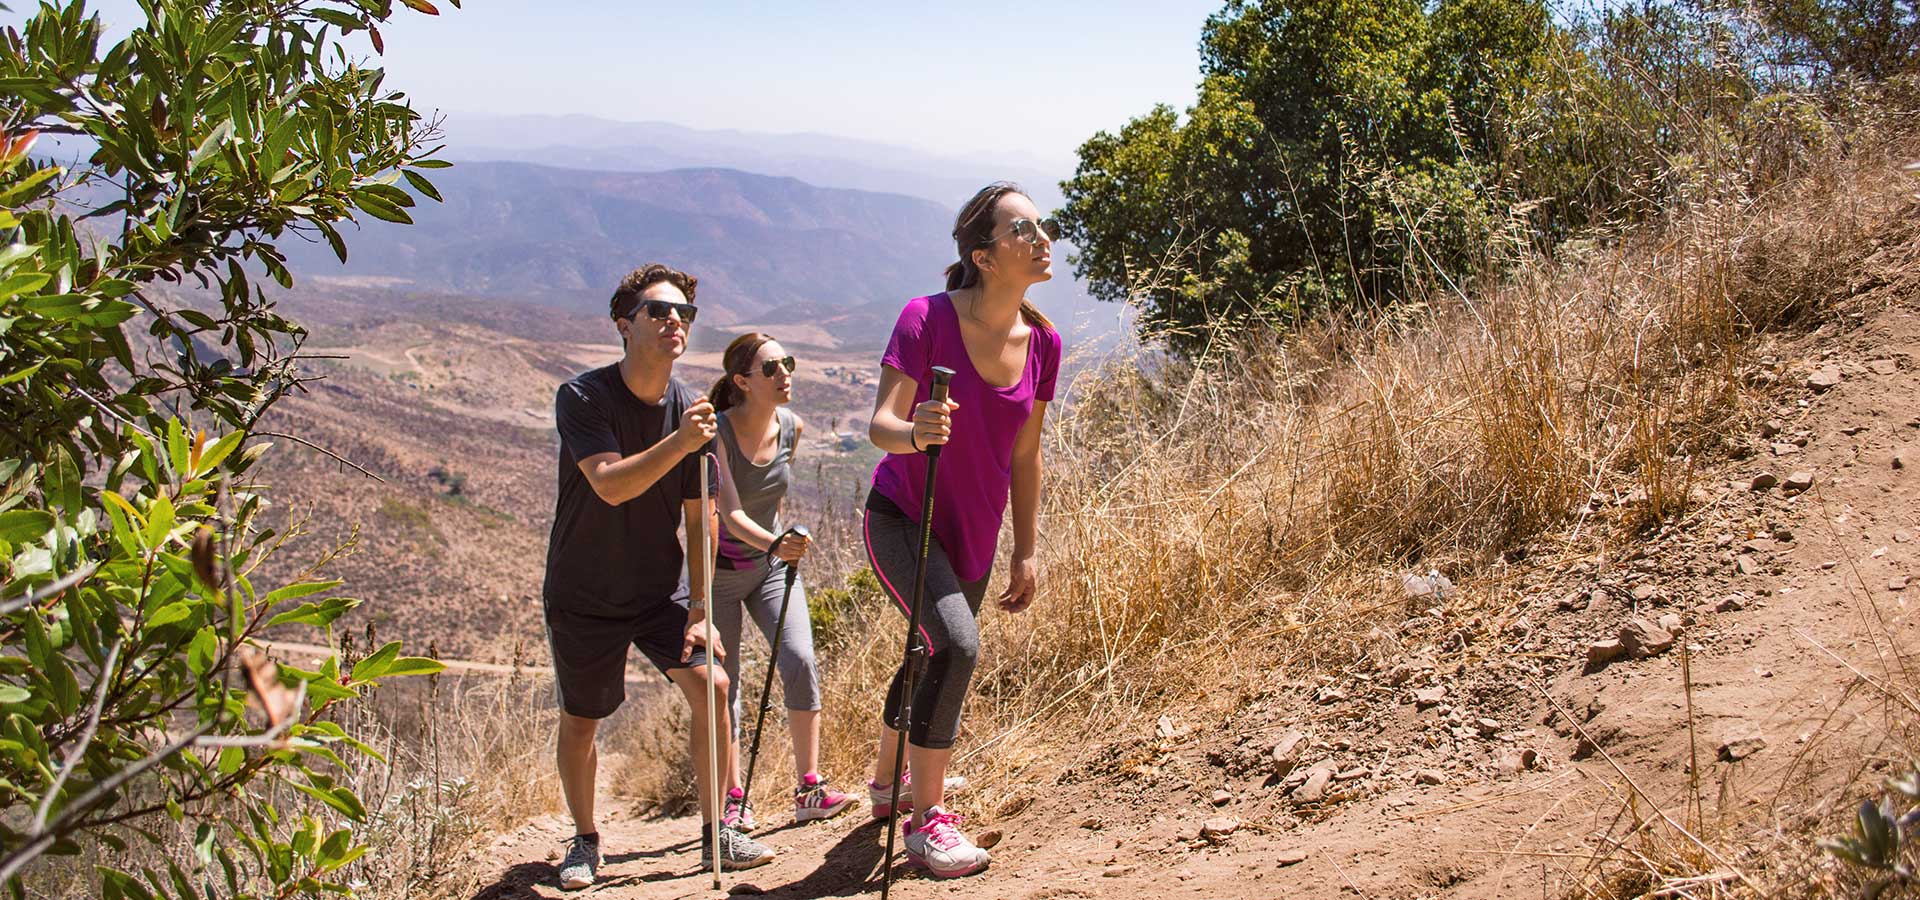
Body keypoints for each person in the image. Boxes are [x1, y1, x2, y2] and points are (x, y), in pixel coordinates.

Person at [542, 264, 775, 890]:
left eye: (685, 314)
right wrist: (679, 442)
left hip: (657, 591)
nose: (676, 322)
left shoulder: (690, 412)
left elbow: (702, 520)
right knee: (583, 719)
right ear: (624, 323)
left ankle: (715, 834)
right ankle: (585, 839)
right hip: (583, 590)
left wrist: (700, 606)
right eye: (659, 312)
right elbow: (611, 485)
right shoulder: (584, 397)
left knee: (715, 687)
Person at [862, 183, 1063, 879]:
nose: (1042, 239)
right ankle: (927, 822)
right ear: (983, 255)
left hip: (975, 533)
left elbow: (1026, 455)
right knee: (956, 644)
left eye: (1043, 226)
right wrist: (914, 432)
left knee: (930, 652)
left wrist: (1027, 548)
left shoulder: (1042, 341)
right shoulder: (925, 320)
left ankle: (888, 783)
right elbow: (880, 426)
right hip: (903, 521)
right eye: (1022, 229)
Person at [706, 332, 856, 831]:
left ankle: (809, 787)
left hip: (769, 567)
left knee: (800, 660)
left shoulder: (791, 428)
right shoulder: (717, 434)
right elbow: (729, 513)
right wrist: (774, 542)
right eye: (772, 368)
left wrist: (779, 541)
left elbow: (770, 498)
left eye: (787, 363)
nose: (785, 373)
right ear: (742, 381)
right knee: (723, 688)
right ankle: (733, 799)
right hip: (719, 575)